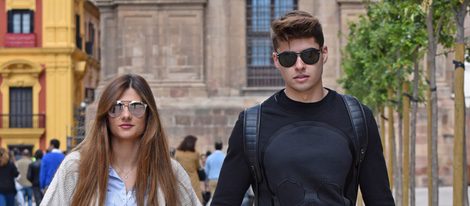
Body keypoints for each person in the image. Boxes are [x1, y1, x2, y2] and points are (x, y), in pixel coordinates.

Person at [211, 10, 394, 205]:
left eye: (309, 55)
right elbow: (224, 201)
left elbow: (380, 199)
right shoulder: (251, 125)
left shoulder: (358, 118)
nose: (299, 65)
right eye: (288, 58)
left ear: (324, 54)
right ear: (276, 61)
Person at [41, 74, 201, 205]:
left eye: (136, 107)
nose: (126, 115)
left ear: (148, 115)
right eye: (115, 108)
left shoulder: (170, 172)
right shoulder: (76, 167)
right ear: (105, 115)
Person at [175, 135, 203, 203]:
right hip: (193, 179)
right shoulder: (195, 154)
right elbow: (198, 166)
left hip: (180, 178)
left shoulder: (178, 153)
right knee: (196, 199)